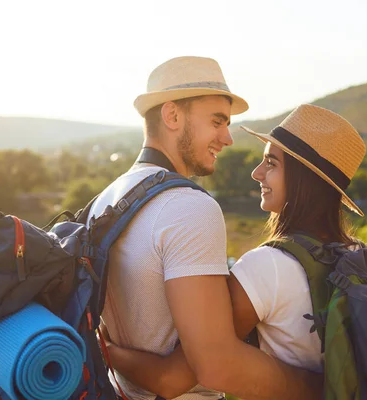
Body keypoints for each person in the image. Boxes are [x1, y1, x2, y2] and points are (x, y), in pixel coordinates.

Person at [88, 57, 322, 400]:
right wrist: (322, 387)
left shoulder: (106, 199)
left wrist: (108, 353)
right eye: (217, 122)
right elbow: (216, 366)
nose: (227, 138)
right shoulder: (188, 207)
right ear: (172, 116)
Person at [104, 104, 366, 398]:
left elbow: (171, 379)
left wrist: (106, 348)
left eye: (271, 163)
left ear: (304, 179)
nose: (257, 173)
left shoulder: (268, 268)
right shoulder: (364, 257)